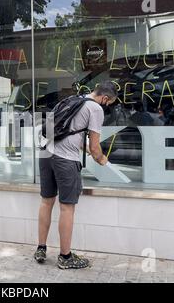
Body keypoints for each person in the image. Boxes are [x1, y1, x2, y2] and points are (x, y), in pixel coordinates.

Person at [35, 81, 118, 269]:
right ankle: (65, 257)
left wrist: (85, 148)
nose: (107, 106)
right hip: (65, 160)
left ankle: (41, 248)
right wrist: (102, 159)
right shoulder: (95, 109)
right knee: (67, 208)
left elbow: (66, 130)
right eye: (109, 103)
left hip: (46, 155)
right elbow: (96, 148)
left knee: (46, 201)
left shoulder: (70, 100)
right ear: (105, 98)